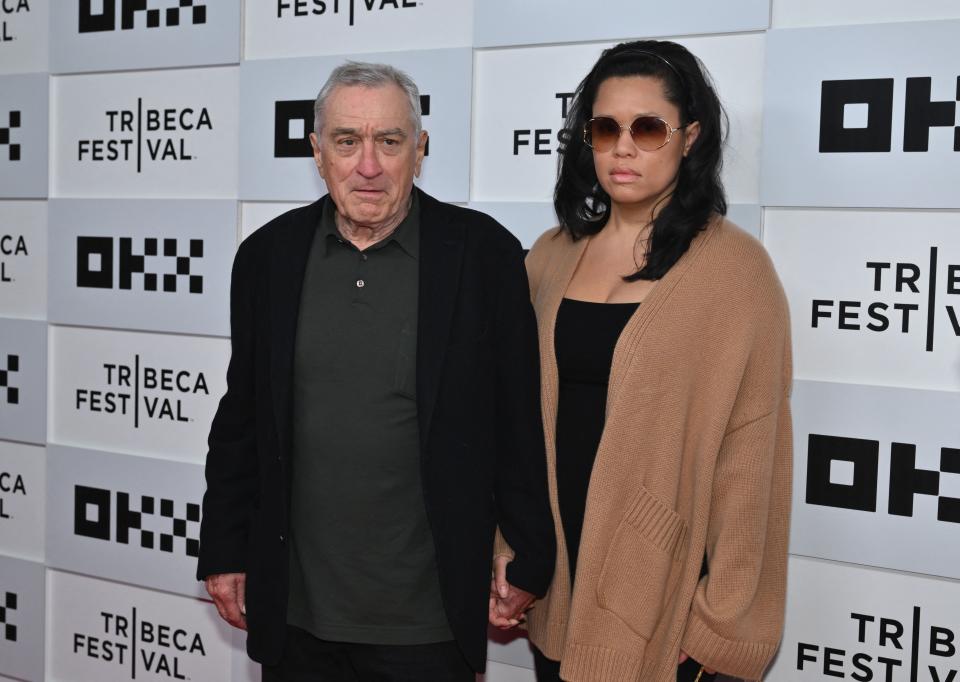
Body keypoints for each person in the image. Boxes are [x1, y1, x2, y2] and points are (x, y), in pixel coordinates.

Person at [197, 61, 555, 681]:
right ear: (316, 152)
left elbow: (518, 418)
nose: (369, 165)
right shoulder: (266, 257)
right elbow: (243, 418)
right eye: (346, 141)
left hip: (429, 622)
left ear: (420, 151)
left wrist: (525, 547)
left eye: (389, 141)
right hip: (297, 618)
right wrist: (226, 545)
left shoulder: (483, 255)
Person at [489, 40, 793, 682]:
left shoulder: (735, 274)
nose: (623, 147)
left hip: (664, 604)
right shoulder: (547, 256)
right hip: (556, 584)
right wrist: (510, 549)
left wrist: (721, 623)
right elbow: (513, 424)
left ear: (690, 138)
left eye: (648, 127)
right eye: (605, 128)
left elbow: (752, 458)